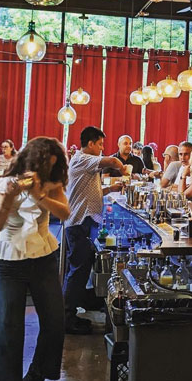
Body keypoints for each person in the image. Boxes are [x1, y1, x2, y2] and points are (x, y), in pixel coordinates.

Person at [0, 137, 71, 381]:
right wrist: (9, 197)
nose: (47, 170)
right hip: (9, 260)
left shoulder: (50, 185)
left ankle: (35, 377)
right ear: (31, 160)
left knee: (55, 322)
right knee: (8, 327)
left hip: (43, 258)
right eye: (45, 164)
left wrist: (40, 195)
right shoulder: (3, 185)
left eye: (52, 165)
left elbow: (65, 213)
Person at [63, 126, 127, 335]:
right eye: (100, 144)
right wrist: (124, 169)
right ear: (90, 144)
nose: (102, 148)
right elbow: (112, 161)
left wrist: (111, 189)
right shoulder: (82, 158)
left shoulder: (86, 165)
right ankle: (67, 317)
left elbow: (91, 191)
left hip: (85, 222)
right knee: (78, 269)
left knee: (83, 269)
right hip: (79, 222)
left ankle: (78, 307)